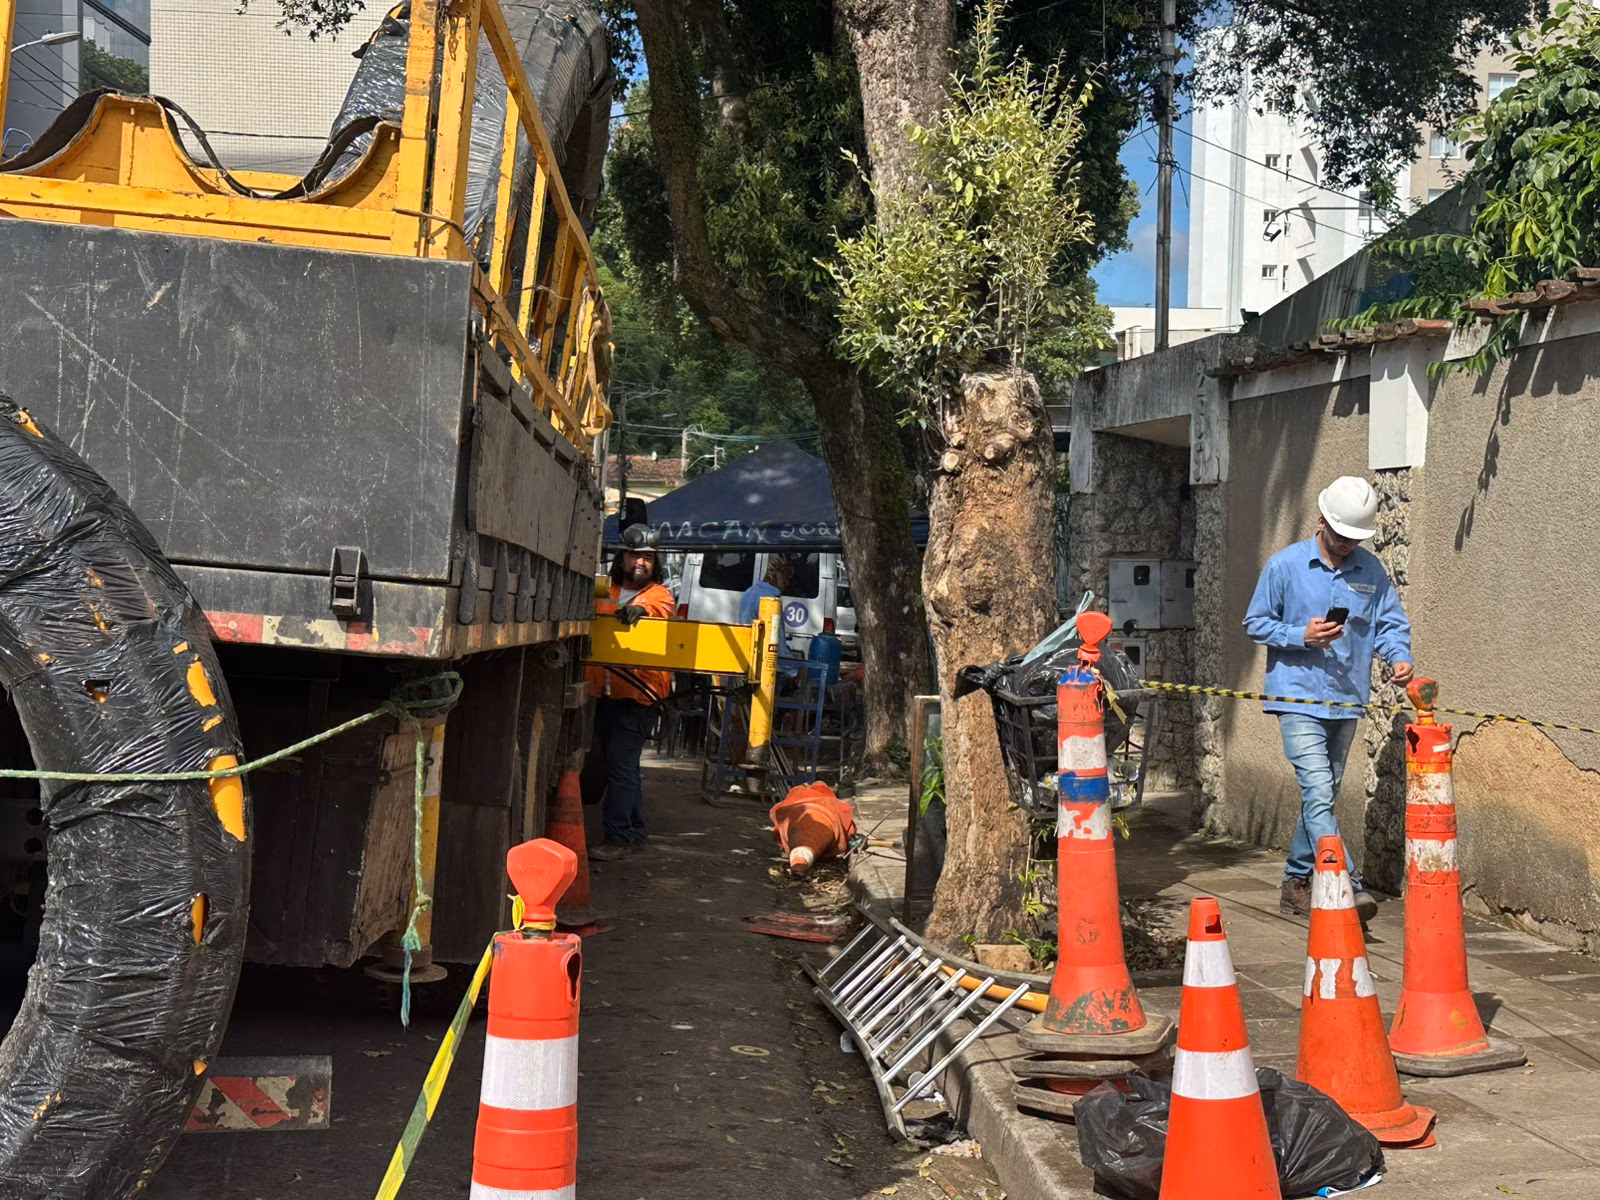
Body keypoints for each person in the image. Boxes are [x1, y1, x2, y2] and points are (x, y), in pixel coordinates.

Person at [1243, 476, 1415, 921]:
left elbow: (1390, 624)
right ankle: (1348, 884)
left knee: (1323, 795)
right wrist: (1300, 635)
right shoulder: (1284, 567)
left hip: (1345, 698)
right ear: (1322, 521)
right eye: (1341, 536)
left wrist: (1398, 658)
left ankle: (1296, 881)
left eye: (1356, 539)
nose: (1347, 545)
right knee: (1318, 789)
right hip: (1297, 698)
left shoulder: (1370, 571)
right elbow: (1255, 623)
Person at [583, 537, 676, 861]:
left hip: (639, 695)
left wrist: (640, 609)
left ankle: (618, 838)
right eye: (635, 555)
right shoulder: (604, 592)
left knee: (621, 768)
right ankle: (634, 830)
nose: (641, 562)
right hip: (606, 693)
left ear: (655, 563)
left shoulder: (658, 595)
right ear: (622, 557)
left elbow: (660, 609)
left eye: (648, 557)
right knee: (623, 766)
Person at [739, 555, 800, 680]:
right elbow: (779, 644)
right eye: (786, 577)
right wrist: (793, 671)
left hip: (746, 660)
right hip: (764, 667)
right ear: (776, 573)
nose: (787, 583)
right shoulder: (771, 600)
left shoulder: (749, 592)